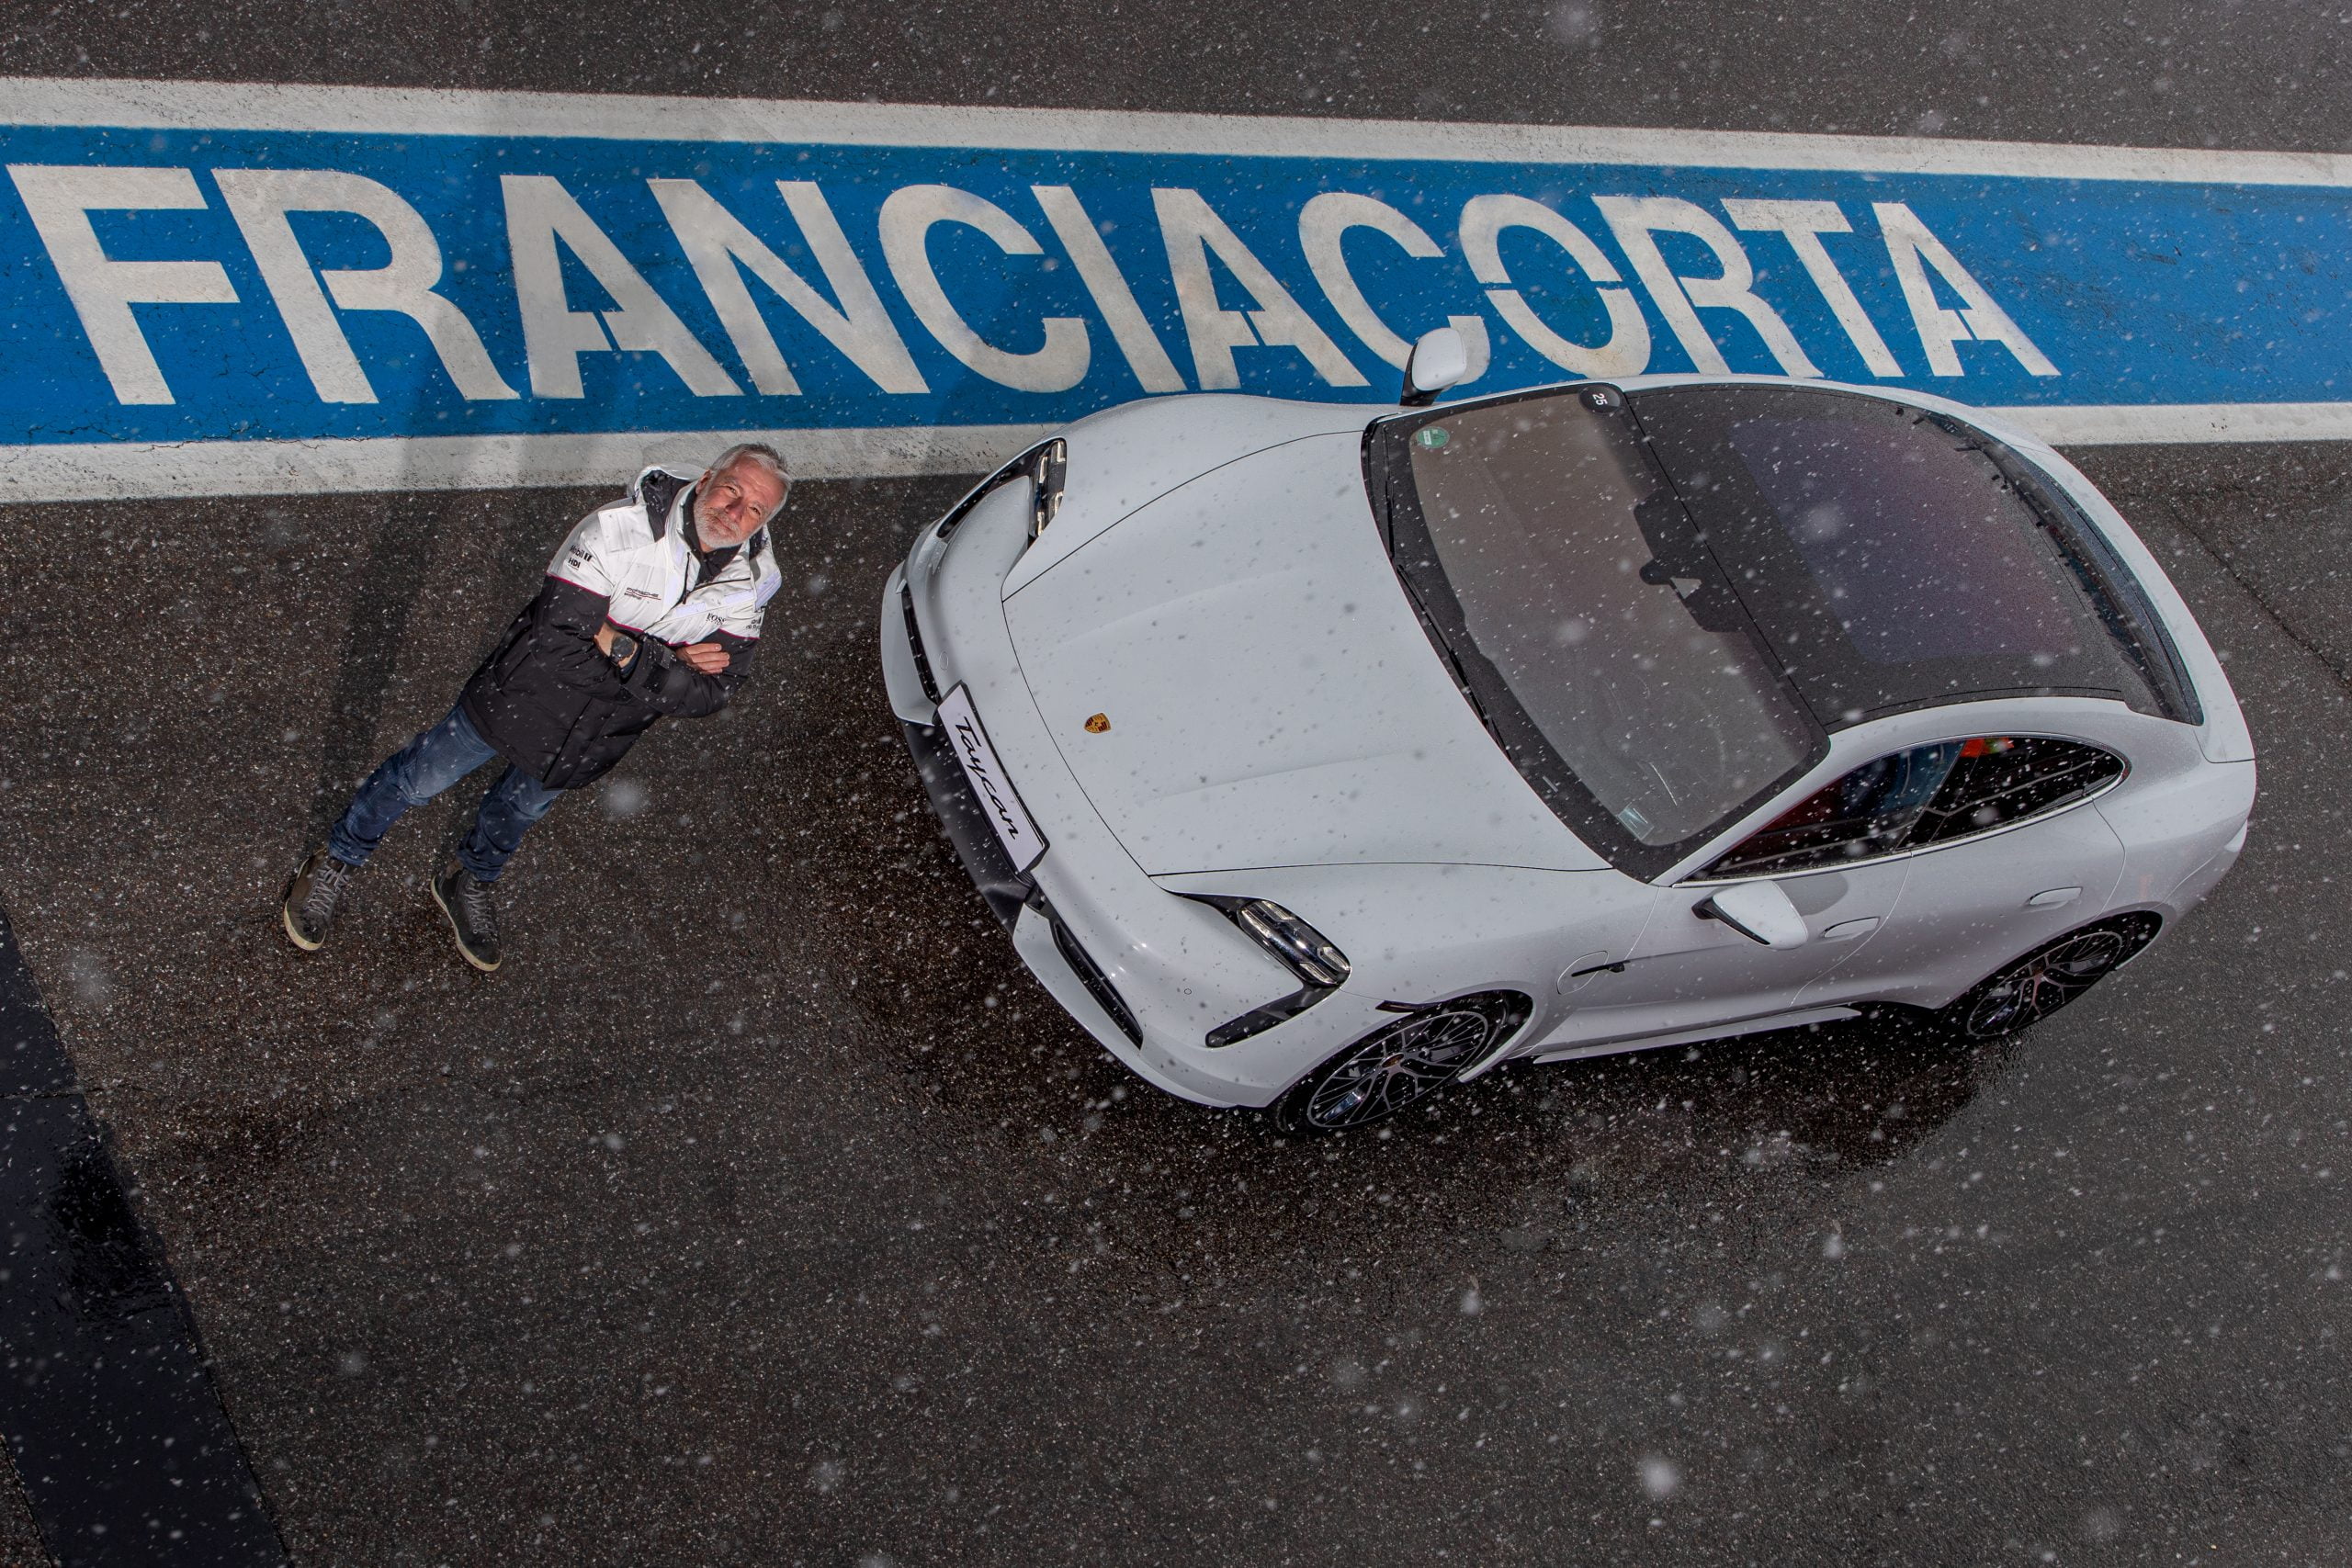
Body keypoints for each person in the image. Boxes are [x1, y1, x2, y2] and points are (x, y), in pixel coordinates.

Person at [282, 444, 788, 971]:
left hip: (597, 733)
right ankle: (337, 860)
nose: (735, 513)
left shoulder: (755, 580)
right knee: (417, 780)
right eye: (732, 490)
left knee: (520, 811)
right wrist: (669, 667)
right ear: (708, 477)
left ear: (765, 520)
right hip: (522, 696)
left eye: (755, 509)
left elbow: (717, 690)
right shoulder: (615, 530)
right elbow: (558, 641)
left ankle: (467, 880)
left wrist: (626, 647)